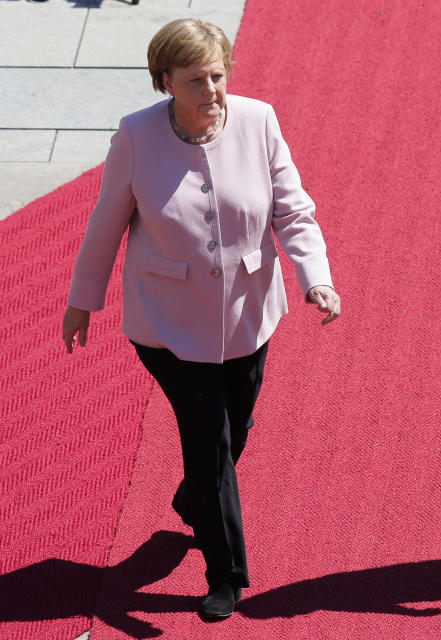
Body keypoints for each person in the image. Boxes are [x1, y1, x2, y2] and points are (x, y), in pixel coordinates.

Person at [61, 18, 340, 620]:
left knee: (233, 428)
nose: (211, 90)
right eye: (196, 80)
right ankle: (225, 572)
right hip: (168, 325)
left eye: (217, 75)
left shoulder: (259, 120)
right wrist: (82, 299)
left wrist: (315, 277)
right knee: (209, 442)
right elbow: (107, 221)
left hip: (248, 317)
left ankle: (194, 497)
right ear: (165, 81)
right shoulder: (136, 136)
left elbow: (293, 211)